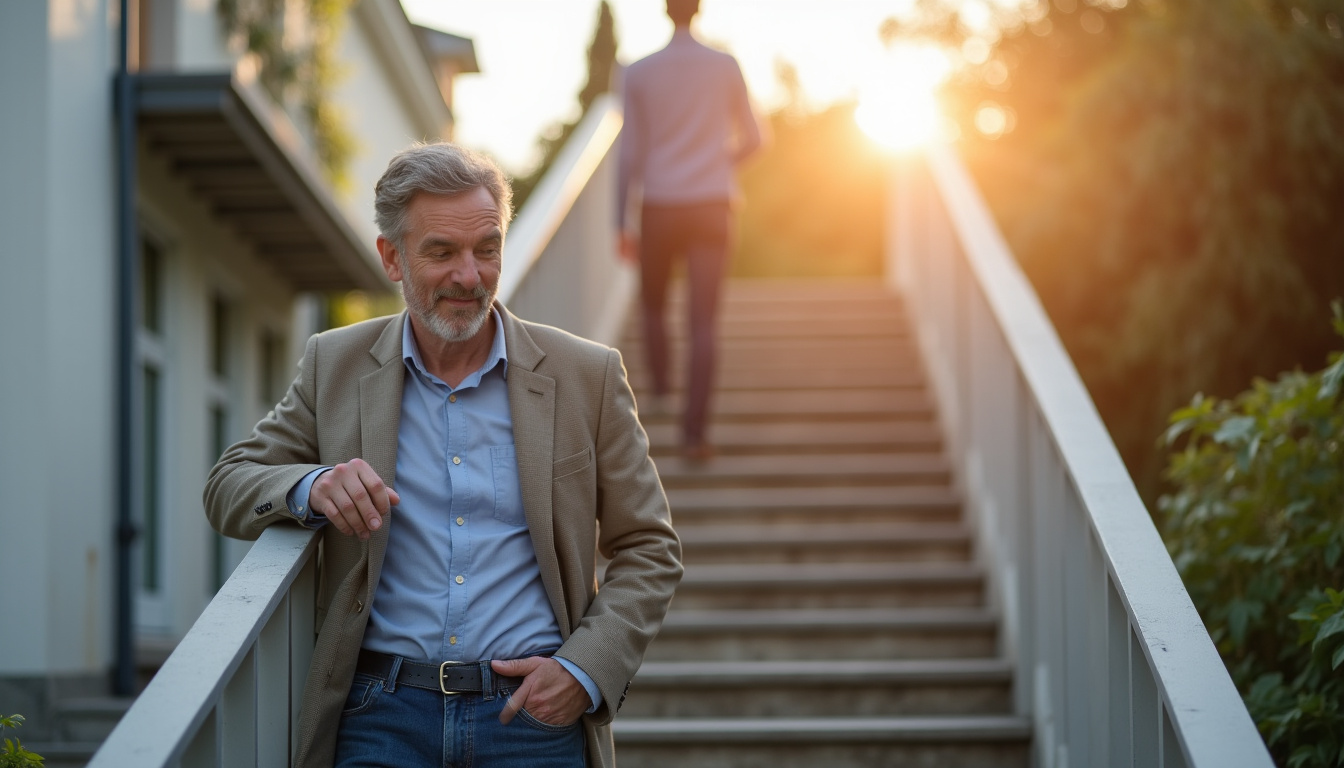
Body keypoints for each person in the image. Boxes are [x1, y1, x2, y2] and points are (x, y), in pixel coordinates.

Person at [205, 142, 682, 768]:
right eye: (441, 252)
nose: (469, 275)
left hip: (531, 720)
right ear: (391, 257)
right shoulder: (335, 365)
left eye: (487, 249)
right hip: (381, 717)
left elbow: (650, 547)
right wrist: (312, 485)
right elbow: (229, 484)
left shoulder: (586, 376)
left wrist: (585, 669)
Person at [617, 0, 765, 461]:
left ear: (666, 10)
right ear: (698, 9)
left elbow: (629, 153)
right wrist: (720, 165)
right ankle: (695, 435)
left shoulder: (638, 72)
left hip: (660, 205)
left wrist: (619, 219)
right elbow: (757, 139)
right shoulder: (725, 66)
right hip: (713, 204)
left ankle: (660, 387)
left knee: (654, 304)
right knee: (703, 322)